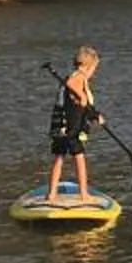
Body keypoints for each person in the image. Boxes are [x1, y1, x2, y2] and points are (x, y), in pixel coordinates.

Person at [46, 46, 102, 201]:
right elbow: (73, 87)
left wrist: (95, 115)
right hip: (72, 129)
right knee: (79, 157)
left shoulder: (69, 77)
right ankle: (84, 194)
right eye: (94, 69)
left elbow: (82, 107)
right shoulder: (78, 77)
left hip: (61, 128)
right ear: (86, 66)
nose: (93, 73)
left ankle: (51, 194)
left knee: (59, 157)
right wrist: (80, 95)